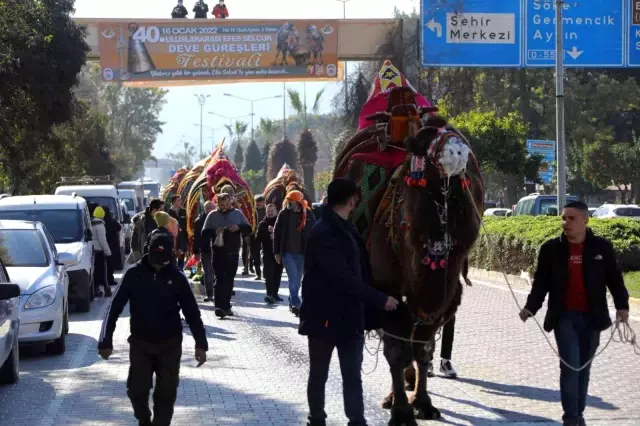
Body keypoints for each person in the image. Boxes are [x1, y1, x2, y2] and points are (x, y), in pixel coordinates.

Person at [520, 201, 629, 426]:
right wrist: (531, 308)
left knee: (583, 369)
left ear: (585, 220)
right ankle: (571, 419)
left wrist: (622, 307)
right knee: (570, 366)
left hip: (593, 318)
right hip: (564, 318)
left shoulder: (601, 248)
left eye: (571, 218)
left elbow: (615, 280)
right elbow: (541, 283)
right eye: (563, 218)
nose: (565, 223)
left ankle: (578, 415)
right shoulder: (551, 249)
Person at [299, 178, 399, 426]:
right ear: (350, 199)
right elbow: (343, 278)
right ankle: (317, 419)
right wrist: (380, 300)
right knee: (319, 374)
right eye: (355, 197)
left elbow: (361, 272)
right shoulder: (322, 232)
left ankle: (357, 421)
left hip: (351, 319)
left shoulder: (348, 228)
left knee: (353, 376)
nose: (357, 202)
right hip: (323, 318)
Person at [98, 233, 208, 426]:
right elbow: (113, 308)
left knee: (166, 394)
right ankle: (143, 419)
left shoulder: (178, 277)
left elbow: (192, 313)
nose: (158, 266)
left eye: (163, 263)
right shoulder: (133, 274)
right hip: (141, 343)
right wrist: (106, 340)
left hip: (170, 344)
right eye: (155, 261)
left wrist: (201, 344)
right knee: (136, 390)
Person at [201, 193, 252, 319]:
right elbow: (204, 232)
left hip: (233, 253)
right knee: (219, 279)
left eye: (228, 204)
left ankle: (226, 306)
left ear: (231, 202)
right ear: (217, 203)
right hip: (218, 252)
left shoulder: (238, 213)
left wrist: (238, 227)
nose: (226, 207)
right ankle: (219, 307)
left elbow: (249, 229)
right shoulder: (212, 215)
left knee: (229, 280)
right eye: (222, 204)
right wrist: (214, 231)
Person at [274, 189, 315, 316]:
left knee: (299, 279)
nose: (289, 203)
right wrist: (276, 252)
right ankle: (296, 303)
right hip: (288, 253)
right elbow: (277, 232)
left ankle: (292, 302)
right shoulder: (283, 214)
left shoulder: (307, 213)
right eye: (288, 200)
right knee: (294, 279)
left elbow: (315, 232)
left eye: (291, 201)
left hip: (303, 253)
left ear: (298, 202)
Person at [256, 204, 283, 304]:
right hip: (267, 253)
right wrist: (266, 233)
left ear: (276, 211)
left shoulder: (280, 222)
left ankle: (275, 294)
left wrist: (275, 232)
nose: (270, 213)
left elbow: (285, 235)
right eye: (268, 211)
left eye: (272, 211)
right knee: (269, 274)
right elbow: (257, 239)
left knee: (278, 273)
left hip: (279, 253)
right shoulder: (263, 224)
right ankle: (269, 294)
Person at [193, 201, 216, 302]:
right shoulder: (199, 221)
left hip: (218, 249)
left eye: (212, 208)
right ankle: (210, 294)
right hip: (205, 250)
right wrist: (196, 251)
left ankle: (219, 293)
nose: (210, 210)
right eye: (208, 208)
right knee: (208, 272)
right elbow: (196, 237)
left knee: (217, 272)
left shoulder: (218, 218)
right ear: (205, 209)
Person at [130, 199, 165, 264]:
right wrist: (137, 257)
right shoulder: (141, 221)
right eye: (161, 210)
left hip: (158, 257)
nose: (163, 212)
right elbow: (134, 240)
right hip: (144, 256)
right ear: (154, 210)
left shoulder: (163, 220)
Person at [90, 205, 112, 298]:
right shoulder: (100, 226)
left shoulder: (91, 224)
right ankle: (107, 290)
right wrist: (108, 252)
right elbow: (102, 240)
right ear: (102, 215)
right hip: (99, 251)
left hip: (92, 251)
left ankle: (95, 290)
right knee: (103, 272)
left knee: (95, 272)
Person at [103, 206, 122, 287]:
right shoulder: (112, 221)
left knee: (106, 264)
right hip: (112, 245)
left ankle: (107, 280)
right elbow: (119, 227)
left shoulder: (102, 222)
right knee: (110, 264)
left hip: (104, 246)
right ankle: (110, 279)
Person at [248, 195, 266, 280]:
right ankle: (258, 273)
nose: (258, 204)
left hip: (265, 235)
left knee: (266, 254)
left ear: (264, 202)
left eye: (260, 202)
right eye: (257, 202)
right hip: (254, 235)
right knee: (255, 255)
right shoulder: (252, 211)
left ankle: (265, 272)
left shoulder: (267, 210)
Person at [168, 195, 188, 269]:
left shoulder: (184, 211)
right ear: (173, 202)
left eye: (180, 200)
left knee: (181, 257)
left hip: (182, 237)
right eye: (178, 200)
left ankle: (180, 271)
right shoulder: (169, 212)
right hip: (173, 237)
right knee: (173, 257)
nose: (180, 202)